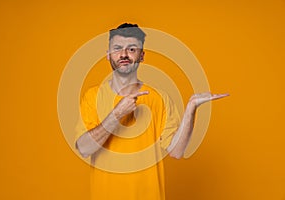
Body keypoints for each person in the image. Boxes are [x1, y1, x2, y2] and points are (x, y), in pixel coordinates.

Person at [75, 23, 229, 200]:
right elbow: (84, 148)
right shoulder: (92, 96)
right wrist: (117, 114)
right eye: (117, 48)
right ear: (108, 55)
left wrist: (191, 109)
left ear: (142, 56)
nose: (124, 54)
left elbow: (177, 151)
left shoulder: (159, 98)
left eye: (132, 49)